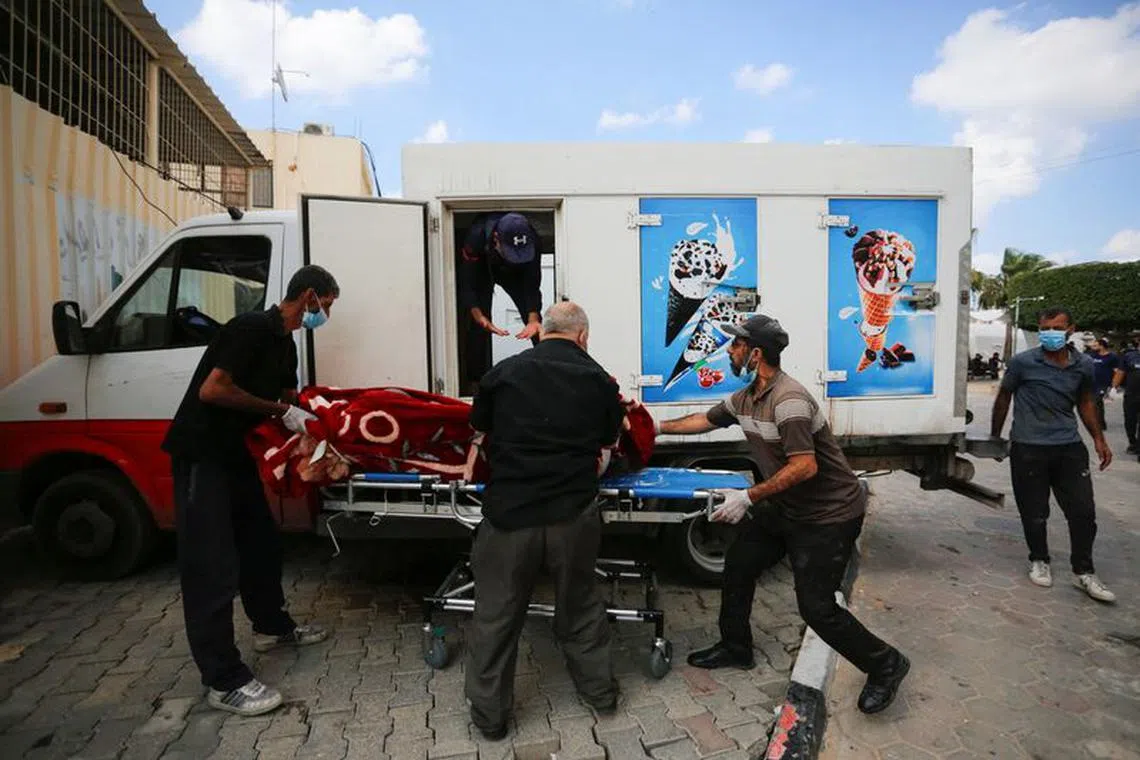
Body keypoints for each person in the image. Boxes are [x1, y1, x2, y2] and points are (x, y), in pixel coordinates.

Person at [657, 314, 910, 715]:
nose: (731, 351)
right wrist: (652, 428)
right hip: (787, 506)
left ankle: (886, 664)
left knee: (817, 608)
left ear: (755, 354)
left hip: (828, 514)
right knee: (739, 563)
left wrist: (750, 496)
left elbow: (805, 467)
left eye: (737, 345)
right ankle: (736, 647)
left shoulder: (788, 400)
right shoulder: (745, 398)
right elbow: (703, 421)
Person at [161, 265, 340, 716]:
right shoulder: (250, 328)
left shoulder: (285, 344)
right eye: (327, 306)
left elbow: (289, 398)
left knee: (260, 542)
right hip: (202, 452)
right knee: (211, 564)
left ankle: (271, 627)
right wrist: (280, 409)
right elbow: (214, 390)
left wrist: (313, 428)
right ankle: (224, 680)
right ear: (309, 296)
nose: (326, 315)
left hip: (233, 454)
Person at [464, 302, 622, 739]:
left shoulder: (502, 375)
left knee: (496, 615)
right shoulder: (599, 381)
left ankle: (491, 719)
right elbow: (610, 440)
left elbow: (479, 426)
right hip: (573, 516)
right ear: (583, 336)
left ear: (541, 331)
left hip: (510, 516)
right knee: (580, 604)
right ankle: (600, 694)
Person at [990, 307, 1115, 603]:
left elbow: (1085, 401)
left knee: (1083, 511)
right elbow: (1004, 396)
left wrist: (1099, 438)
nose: (1051, 333)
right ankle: (1039, 559)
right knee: (1035, 512)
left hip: (1069, 447)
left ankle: (1084, 571)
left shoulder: (1083, 365)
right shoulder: (1023, 363)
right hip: (1028, 448)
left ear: (1071, 329)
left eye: (1058, 328)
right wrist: (996, 437)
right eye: (1046, 327)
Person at [457, 211, 544, 393]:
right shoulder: (476, 237)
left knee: (536, 322)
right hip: (483, 266)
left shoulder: (533, 239)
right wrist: (479, 315)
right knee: (478, 326)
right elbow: (468, 282)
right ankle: (476, 383)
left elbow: (532, 282)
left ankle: (547, 370)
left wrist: (533, 319)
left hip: (517, 272)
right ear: (496, 238)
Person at [1112, 338, 1140, 458]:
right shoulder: (1129, 356)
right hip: (1131, 395)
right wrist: (1114, 387)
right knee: (1130, 421)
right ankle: (1132, 442)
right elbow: (1120, 372)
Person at [1087, 338, 1120, 431]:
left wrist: (1114, 386)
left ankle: (1100, 424)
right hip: (1092, 383)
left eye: (1095, 345)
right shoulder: (1092, 355)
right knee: (1093, 403)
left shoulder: (1112, 357)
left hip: (1104, 384)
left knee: (1097, 401)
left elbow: (1117, 371)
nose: (1093, 347)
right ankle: (1097, 421)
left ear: (1102, 346)